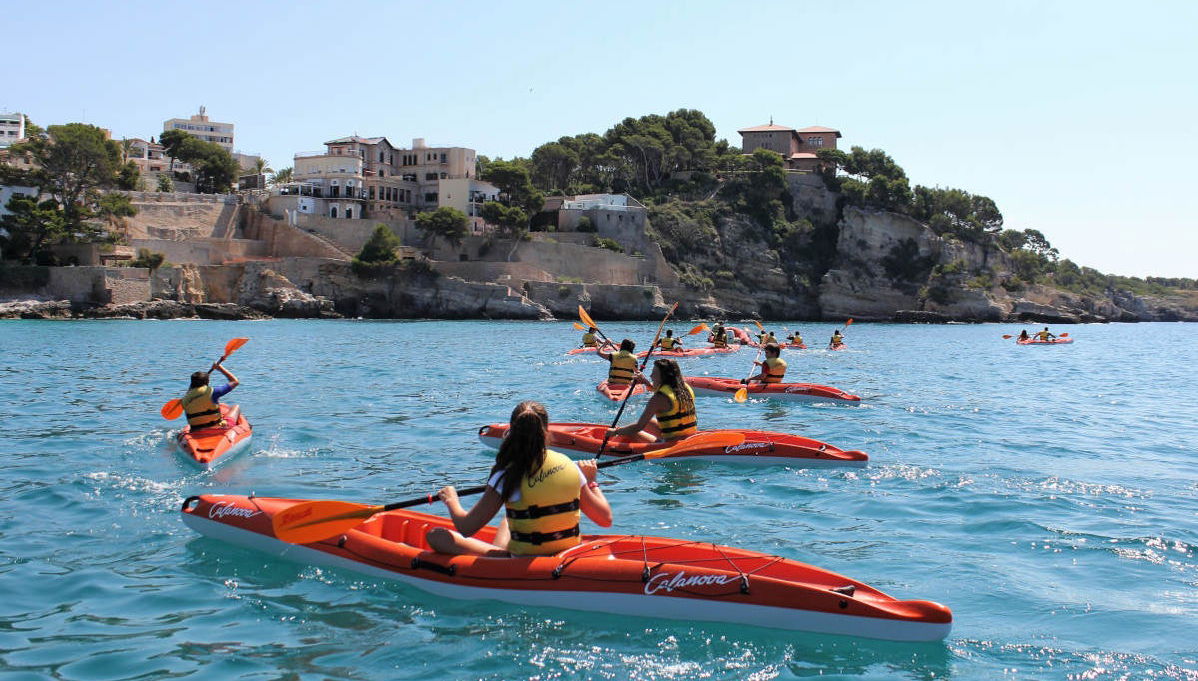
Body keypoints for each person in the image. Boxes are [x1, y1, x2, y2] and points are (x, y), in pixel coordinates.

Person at [427, 401, 612, 557]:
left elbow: (466, 528)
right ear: (546, 430)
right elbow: (605, 519)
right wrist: (591, 481)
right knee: (506, 521)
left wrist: (451, 500)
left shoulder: (507, 473)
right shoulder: (569, 464)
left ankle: (497, 558)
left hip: (522, 562)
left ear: (512, 431)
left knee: (435, 536)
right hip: (567, 554)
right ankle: (500, 551)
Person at [606, 359, 697, 444]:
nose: (651, 376)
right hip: (690, 437)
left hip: (671, 444)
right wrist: (645, 382)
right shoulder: (684, 388)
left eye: (654, 373)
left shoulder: (658, 398)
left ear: (663, 377)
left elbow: (638, 427)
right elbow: (661, 391)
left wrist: (616, 432)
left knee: (629, 432)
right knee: (650, 422)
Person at [181, 361, 239, 430]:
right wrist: (220, 368)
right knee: (236, 407)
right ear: (207, 382)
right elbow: (235, 382)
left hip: (195, 430)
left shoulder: (185, 398)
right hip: (217, 427)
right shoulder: (213, 392)